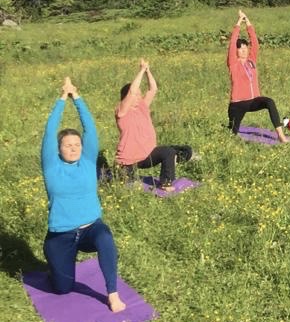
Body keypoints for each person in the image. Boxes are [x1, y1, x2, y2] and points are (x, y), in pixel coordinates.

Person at [41, 77, 126, 313]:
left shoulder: (88, 161)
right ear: (58, 149)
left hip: (90, 229)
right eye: (67, 145)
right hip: (61, 235)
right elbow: (49, 132)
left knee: (105, 237)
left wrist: (76, 96)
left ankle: (112, 293)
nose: (73, 148)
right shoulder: (51, 166)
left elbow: (90, 127)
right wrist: (61, 98)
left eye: (77, 144)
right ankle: (55, 266)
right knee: (62, 289)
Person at [115, 59, 192, 190]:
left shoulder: (142, 107)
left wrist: (147, 71)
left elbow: (153, 89)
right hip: (129, 161)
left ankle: (166, 183)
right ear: (126, 97)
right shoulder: (121, 111)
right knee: (129, 185)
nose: (139, 96)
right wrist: (141, 70)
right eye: (137, 95)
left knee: (176, 151)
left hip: (147, 155)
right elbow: (132, 91)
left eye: (140, 94)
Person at [227, 10, 289, 143]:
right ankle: (231, 131)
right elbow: (232, 43)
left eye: (245, 48)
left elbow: (255, 42)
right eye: (241, 48)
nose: (244, 50)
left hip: (253, 101)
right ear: (236, 51)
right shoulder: (233, 63)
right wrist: (238, 23)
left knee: (269, 102)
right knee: (232, 133)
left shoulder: (251, 60)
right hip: (237, 104)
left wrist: (247, 21)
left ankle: (281, 136)